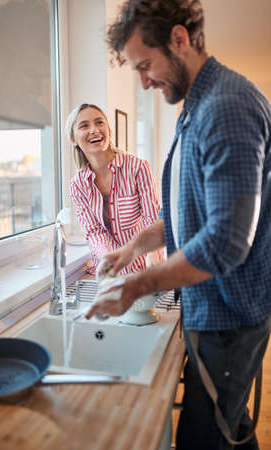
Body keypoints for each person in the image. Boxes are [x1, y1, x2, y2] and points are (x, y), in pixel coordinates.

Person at [86, 1, 271, 449]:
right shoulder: (198, 106)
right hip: (212, 310)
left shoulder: (226, 106)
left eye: (146, 65)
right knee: (228, 427)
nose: (144, 80)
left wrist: (135, 286)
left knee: (205, 438)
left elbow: (225, 242)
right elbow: (188, 213)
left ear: (179, 39)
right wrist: (134, 247)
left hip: (228, 318)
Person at [67, 103, 162, 275]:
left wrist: (153, 255)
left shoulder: (138, 168)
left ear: (109, 130)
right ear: (73, 139)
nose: (94, 130)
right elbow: (94, 231)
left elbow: (152, 219)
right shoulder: (77, 185)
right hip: (108, 273)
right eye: (84, 126)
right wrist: (109, 261)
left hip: (143, 266)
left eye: (99, 122)